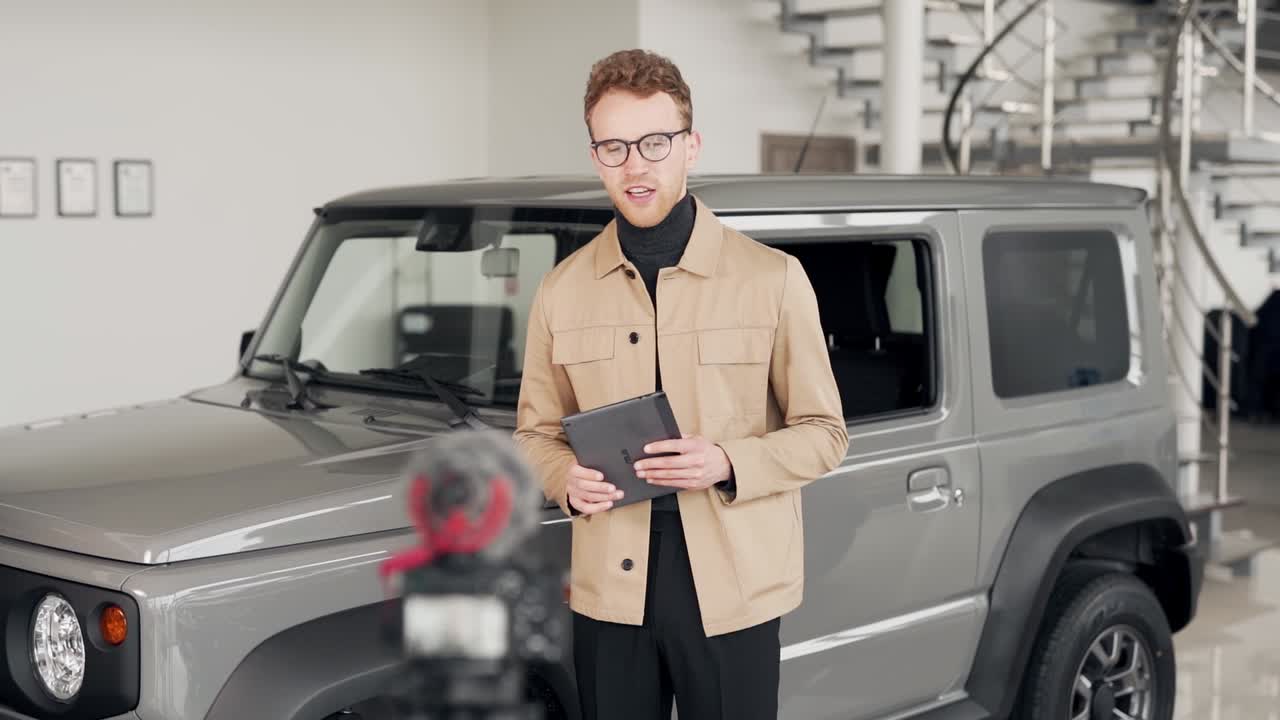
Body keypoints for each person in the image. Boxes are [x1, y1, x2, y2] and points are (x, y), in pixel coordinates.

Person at [514, 48, 848, 720]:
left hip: (732, 585)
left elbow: (825, 436)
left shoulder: (773, 279)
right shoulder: (561, 290)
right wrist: (562, 478)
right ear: (595, 156)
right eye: (613, 146)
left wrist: (726, 460)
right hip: (611, 583)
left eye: (655, 143)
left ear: (691, 147)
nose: (635, 165)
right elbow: (534, 434)